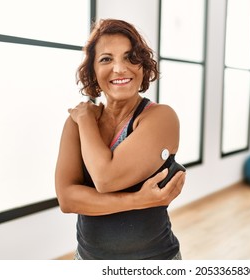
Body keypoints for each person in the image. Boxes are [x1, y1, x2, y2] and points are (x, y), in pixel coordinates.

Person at [55, 19, 186, 260]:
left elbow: (106, 179)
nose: (119, 68)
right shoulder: (76, 123)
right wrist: (137, 200)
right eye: (106, 59)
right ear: (93, 71)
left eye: (130, 57)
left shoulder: (160, 117)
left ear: (143, 66)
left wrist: (85, 120)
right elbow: (67, 199)